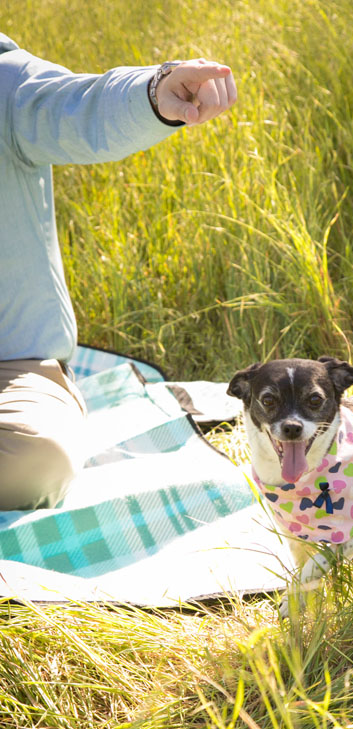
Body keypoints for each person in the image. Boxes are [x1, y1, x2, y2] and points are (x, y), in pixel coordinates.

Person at [0, 33, 237, 511]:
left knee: (34, 460)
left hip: (12, 369)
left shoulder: (7, 87)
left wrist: (155, 93)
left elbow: (79, 107)